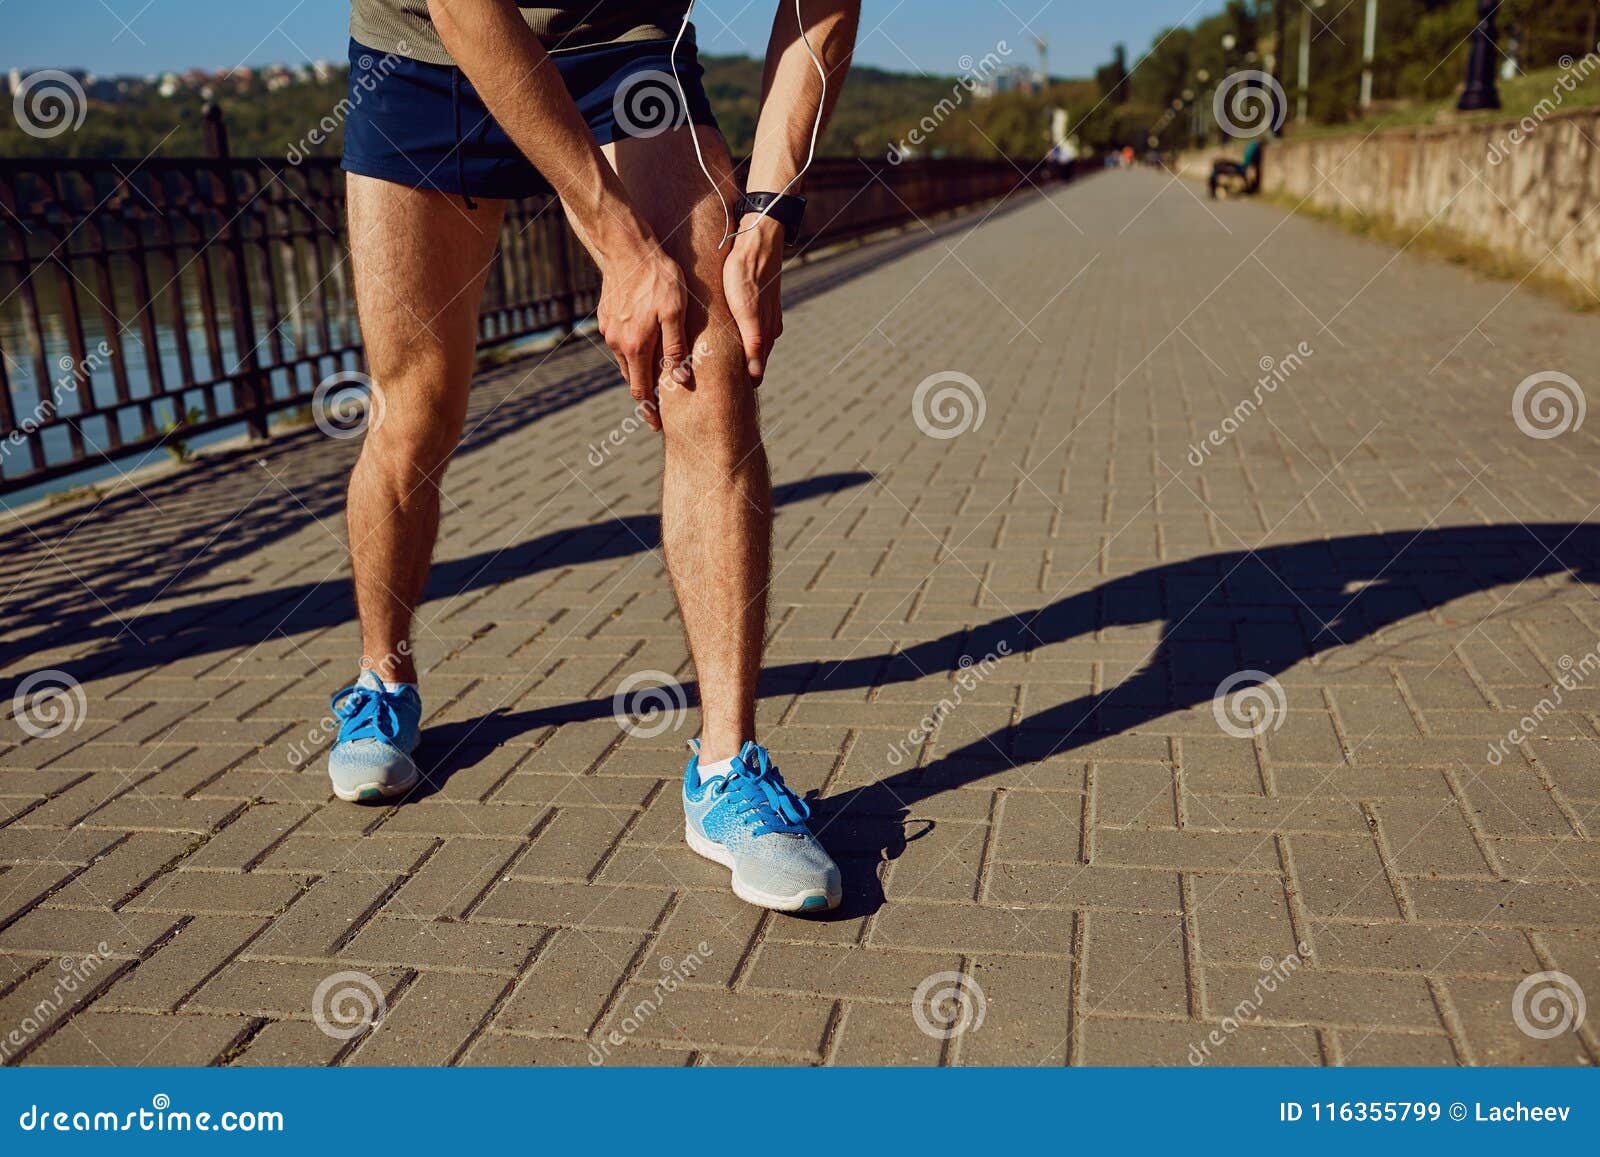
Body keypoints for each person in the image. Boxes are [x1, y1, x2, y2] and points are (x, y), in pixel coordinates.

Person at [325, 0, 861, 914]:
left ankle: (727, 769)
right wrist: (622, 247)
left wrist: (771, 207)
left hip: (623, 47)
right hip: (425, 52)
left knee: (710, 369)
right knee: (416, 411)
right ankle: (384, 677)